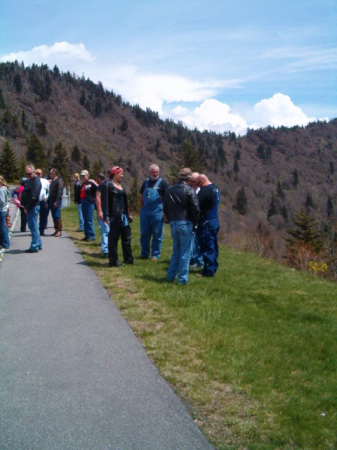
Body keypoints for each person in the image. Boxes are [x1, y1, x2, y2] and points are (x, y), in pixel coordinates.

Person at [163, 168, 199, 285]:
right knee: (185, 253)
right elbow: (195, 209)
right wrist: (195, 223)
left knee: (176, 252)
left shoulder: (169, 190)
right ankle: (182, 279)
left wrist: (170, 219)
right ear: (189, 178)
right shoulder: (189, 190)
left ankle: (170, 276)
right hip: (186, 222)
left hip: (174, 223)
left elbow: (165, 208)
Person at [139, 164, 168, 261]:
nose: (155, 174)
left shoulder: (162, 183)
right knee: (144, 234)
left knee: (157, 234)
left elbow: (167, 199)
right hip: (145, 212)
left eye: (157, 172)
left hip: (157, 212)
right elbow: (141, 196)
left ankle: (155, 255)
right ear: (149, 172)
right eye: (153, 172)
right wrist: (141, 208)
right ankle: (144, 253)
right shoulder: (145, 182)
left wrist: (165, 212)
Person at [106, 166, 134, 267]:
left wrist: (128, 214)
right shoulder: (109, 185)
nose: (122, 175)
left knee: (127, 236)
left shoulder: (120, 185)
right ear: (116, 174)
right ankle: (113, 260)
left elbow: (124, 201)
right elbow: (105, 201)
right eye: (121, 173)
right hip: (114, 215)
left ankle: (128, 259)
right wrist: (106, 216)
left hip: (123, 215)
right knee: (114, 237)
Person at [196, 174, 220, 277]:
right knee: (213, 246)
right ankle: (213, 267)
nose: (198, 186)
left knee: (207, 247)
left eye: (198, 183)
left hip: (206, 222)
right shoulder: (215, 189)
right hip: (214, 221)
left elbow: (196, 204)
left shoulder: (206, 191)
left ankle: (208, 271)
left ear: (202, 181)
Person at [20, 165, 42, 253]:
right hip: (29, 206)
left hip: (32, 206)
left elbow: (34, 197)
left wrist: (27, 208)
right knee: (34, 226)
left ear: (33, 172)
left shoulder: (36, 182)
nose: (28, 175)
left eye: (29, 174)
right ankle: (38, 243)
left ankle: (34, 245)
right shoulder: (30, 181)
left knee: (33, 227)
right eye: (26, 174)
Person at [188, 172, 203, 269]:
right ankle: (191, 259)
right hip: (189, 219)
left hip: (198, 219)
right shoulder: (189, 191)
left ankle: (198, 261)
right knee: (191, 241)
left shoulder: (201, 192)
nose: (192, 183)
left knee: (198, 242)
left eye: (194, 182)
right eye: (191, 181)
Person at [79, 170, 97, 242]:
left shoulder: (91, 182)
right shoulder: (82, 184)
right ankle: (87, 234)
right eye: (81, 176)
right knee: (85, 218)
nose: (82, 177)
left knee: (89, 219)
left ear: (87, 175)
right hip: (83, 201)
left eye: (84, 176)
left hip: (89, 202)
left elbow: (98, 189)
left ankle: (91, 235)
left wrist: (93, 199)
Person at [96, 171, 110, 258]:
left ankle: (110, 249)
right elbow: (98, 197)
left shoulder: (114, 185)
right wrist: (99, 211)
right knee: (105, 231)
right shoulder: (102, 185)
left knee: (110, 232)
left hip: (112, 212)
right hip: (104, 211)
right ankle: (105, 251)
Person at [48, 168, 64, 237]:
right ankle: (56, 229)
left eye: (51, 173)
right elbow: (50, 192)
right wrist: (47, 202)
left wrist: (57, 201)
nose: (50, 174)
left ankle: (59, 230)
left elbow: (60, 192)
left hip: (56, 201)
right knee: (53, 215)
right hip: (51, 200)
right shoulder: (53, 181)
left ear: (54, 173)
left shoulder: (59, 181)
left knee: (57, 215)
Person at [36, 168, 50, 236]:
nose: (38, 175)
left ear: (41, 174)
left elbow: (49, 190)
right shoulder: (32, 181)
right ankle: (35, 231)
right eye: (37, 173)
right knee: (34, 216)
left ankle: (42, 230)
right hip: (35, 202)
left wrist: (47, 197)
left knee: (43, 216)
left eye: (39, 173)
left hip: (43, 201)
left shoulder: (45, 181)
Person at [0, 175, 10, 250]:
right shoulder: (4, 189)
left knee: (2, 226)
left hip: (1, 210)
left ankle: (5, 243)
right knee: (4, 226)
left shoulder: (1, 190)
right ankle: (5, 241)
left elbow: (2, 201)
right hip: (4, 210)